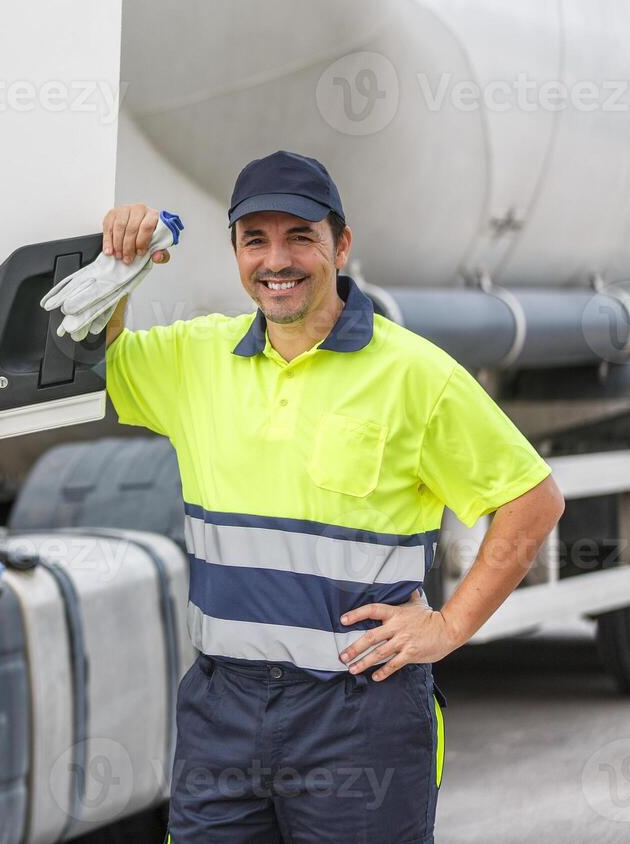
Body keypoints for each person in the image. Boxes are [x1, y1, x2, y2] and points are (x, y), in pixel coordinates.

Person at [101, 150, 565, 843]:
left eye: (300, 237)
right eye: (255, 239)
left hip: (359, 717)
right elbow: (97, 363)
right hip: (221, 712)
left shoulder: (415, 374)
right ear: (235, 250)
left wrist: (449, 627)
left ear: (340, 245)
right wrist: (121, 266)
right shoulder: (192, 360)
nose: (276, 259)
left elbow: (533, 500)